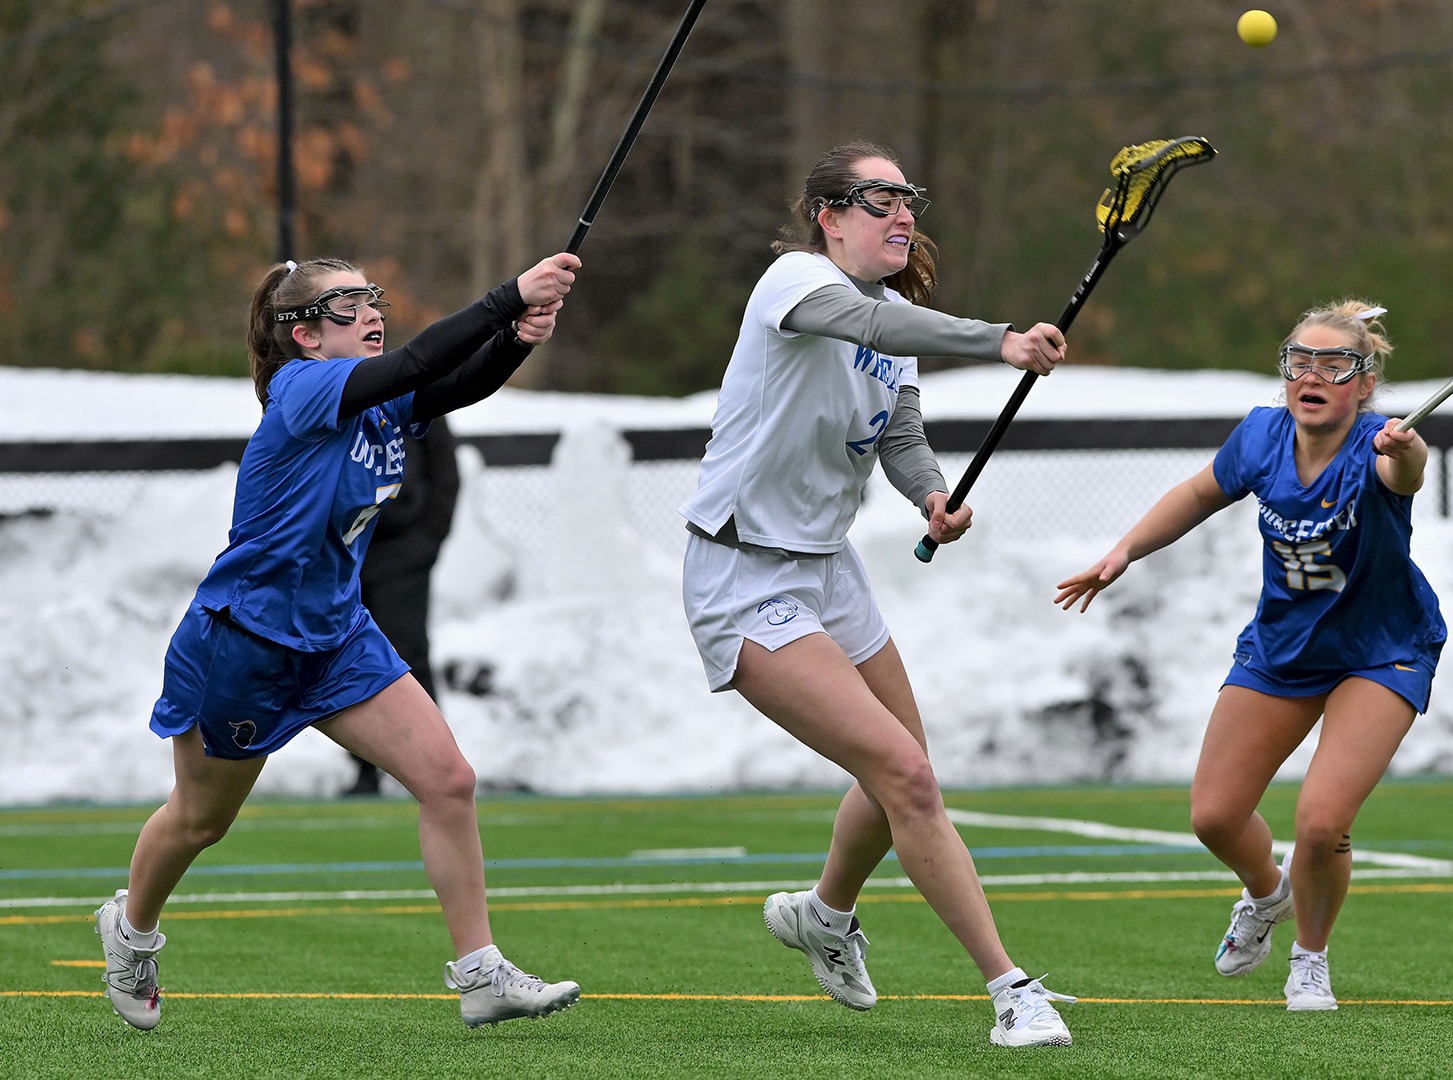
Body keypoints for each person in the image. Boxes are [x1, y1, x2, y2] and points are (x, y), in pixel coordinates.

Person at [95, 253, 583, 1031]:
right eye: (347, 304)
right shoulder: (301, 388)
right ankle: (130, 931)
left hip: (337, 636)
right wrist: (507, 298)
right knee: (200, 821)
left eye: (371, 298)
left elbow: (454, 383)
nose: (371, 312)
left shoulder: (380, 405)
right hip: (246, 643)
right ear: (306, 336)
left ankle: (480, 972)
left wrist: (517, 338)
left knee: (449, 780)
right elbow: (419, 363)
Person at [679, 141, 1076, 1047]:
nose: (902, 214)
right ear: (828, 216)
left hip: (829, 566)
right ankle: (1011, 991)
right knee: (906, 775)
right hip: (742, 571)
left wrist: (930, 494)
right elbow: (867, 328)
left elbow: (899, 430)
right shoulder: (794, 282)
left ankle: (824, 914)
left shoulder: (893, 316)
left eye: (909, 199)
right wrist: (1000, 342)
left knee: (903, 770)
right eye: (879, 198)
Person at [1055, 301, 1445, 1012]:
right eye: (1300, 361)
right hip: (1283, 647)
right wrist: (1124, 552)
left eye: (1334, 365)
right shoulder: (1262, 435)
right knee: (1214, 816)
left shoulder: (1382, 447)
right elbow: (1198, 493)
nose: (1312, 375)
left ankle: (1310, 959)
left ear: (1365, 384)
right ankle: (1268, 894)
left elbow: (1408, 476)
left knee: (1321, 823)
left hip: (1381, 649)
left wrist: (1408, 451)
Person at [345, 422, 461, 797]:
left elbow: (445, 474)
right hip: (349, 556)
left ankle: (434, 765)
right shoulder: (340, 400)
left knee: (408, 656)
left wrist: (426, 540)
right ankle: (366, 769)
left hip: (404, 557)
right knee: (351, 662)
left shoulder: (418, 403)